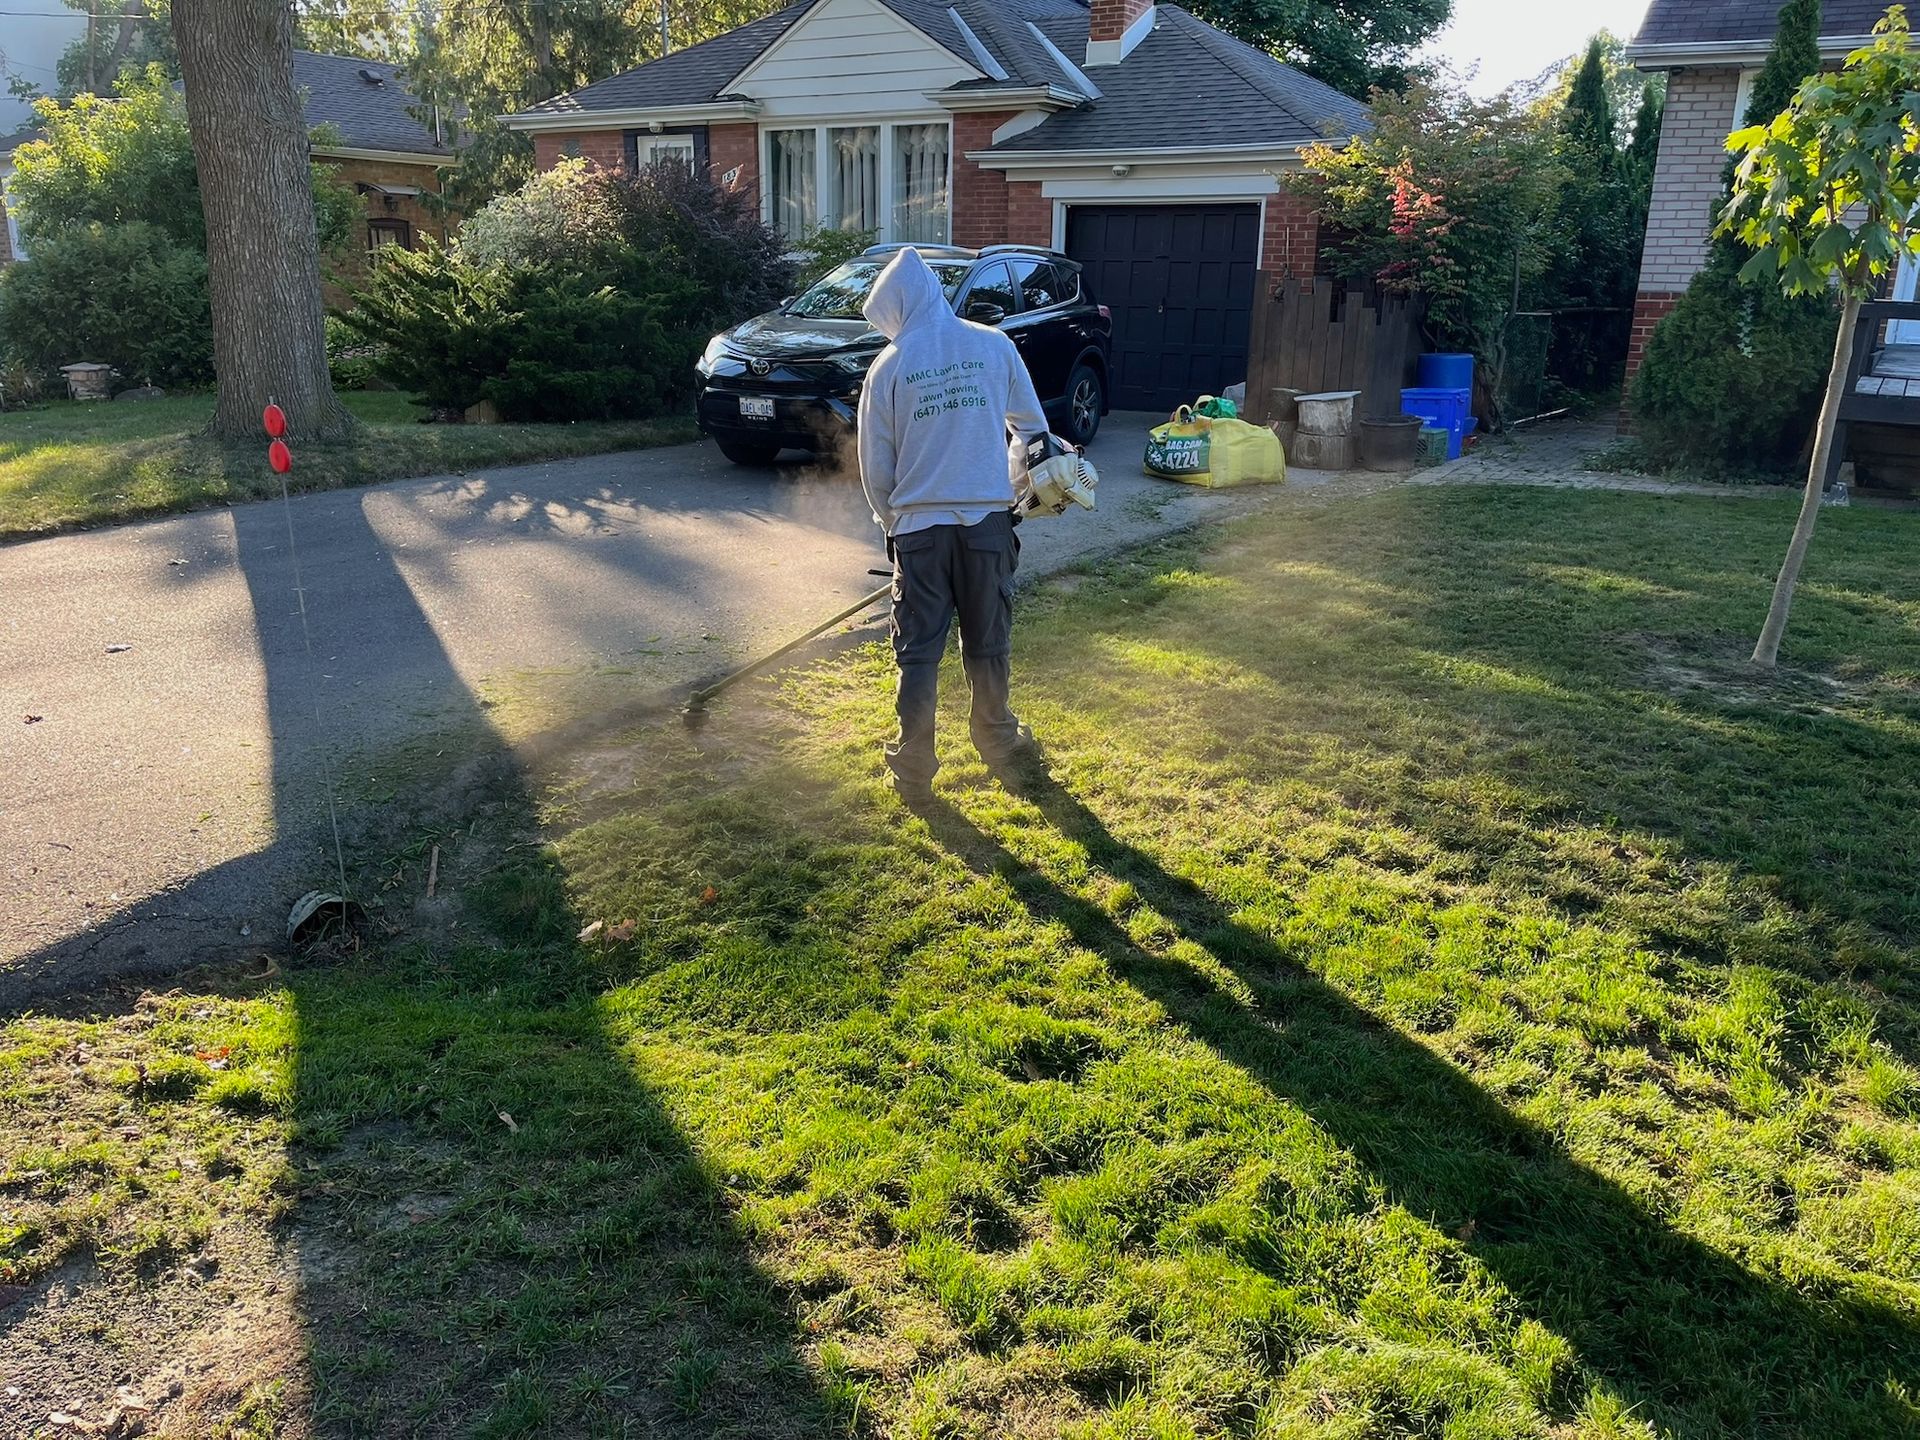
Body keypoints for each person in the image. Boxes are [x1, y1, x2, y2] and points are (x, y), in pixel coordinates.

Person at [858, 247, 1049, 806]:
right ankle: (998, 740)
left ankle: (914, 763)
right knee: (988, 641)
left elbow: (876, 465)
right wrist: (1013, 491)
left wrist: (894, 523)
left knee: (918, 651)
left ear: (898, 306)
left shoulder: (890, 364)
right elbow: (1032, 433)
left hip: (920, 531)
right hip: (988, 525)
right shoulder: (993, 344)